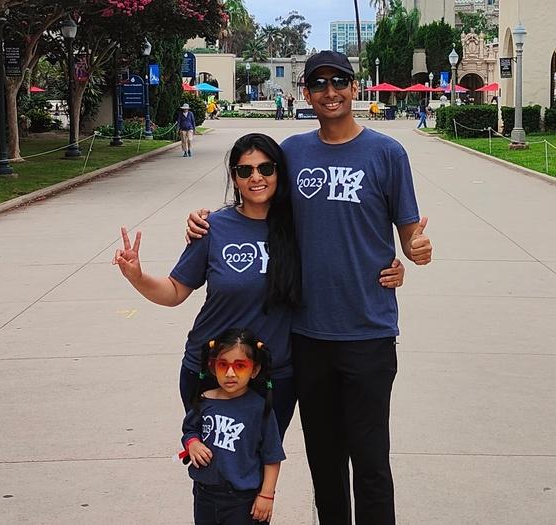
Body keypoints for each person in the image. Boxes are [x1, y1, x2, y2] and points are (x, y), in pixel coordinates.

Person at [187, 50, 432, 525]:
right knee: (325, 463)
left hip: (368, 332)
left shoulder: (387, 153)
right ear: (306, 93)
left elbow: (409, 236)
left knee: (371, 463)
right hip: (307, 337)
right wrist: (205, 220)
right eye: (318, 83)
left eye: (339, 81)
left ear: (355, 87)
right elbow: (255, 197)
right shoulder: (294, 153)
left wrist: (416, 251)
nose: (329, 91)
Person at [115, 133, 406, 439]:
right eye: (245, 170)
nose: (256, 177)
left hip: (274, 377)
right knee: (215, 463)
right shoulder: (214, 228)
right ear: (234, 178)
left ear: (279, 173)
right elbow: (174, 291)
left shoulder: (299, 228)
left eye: (266, 168)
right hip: (213, 369)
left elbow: (339, 259)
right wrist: (137, 276)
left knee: (263, 462)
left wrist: (391, 270)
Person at [181, 328, 285, 525]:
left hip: (242, 500)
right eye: (223, 365)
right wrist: (192, 443)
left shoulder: (259, 409)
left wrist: (266, 495)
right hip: (204, 495)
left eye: (240, 366)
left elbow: (272, 456)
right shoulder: (204, 401)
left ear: (254, 370)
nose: (230, 373)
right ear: (213, 367)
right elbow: (190, 430)